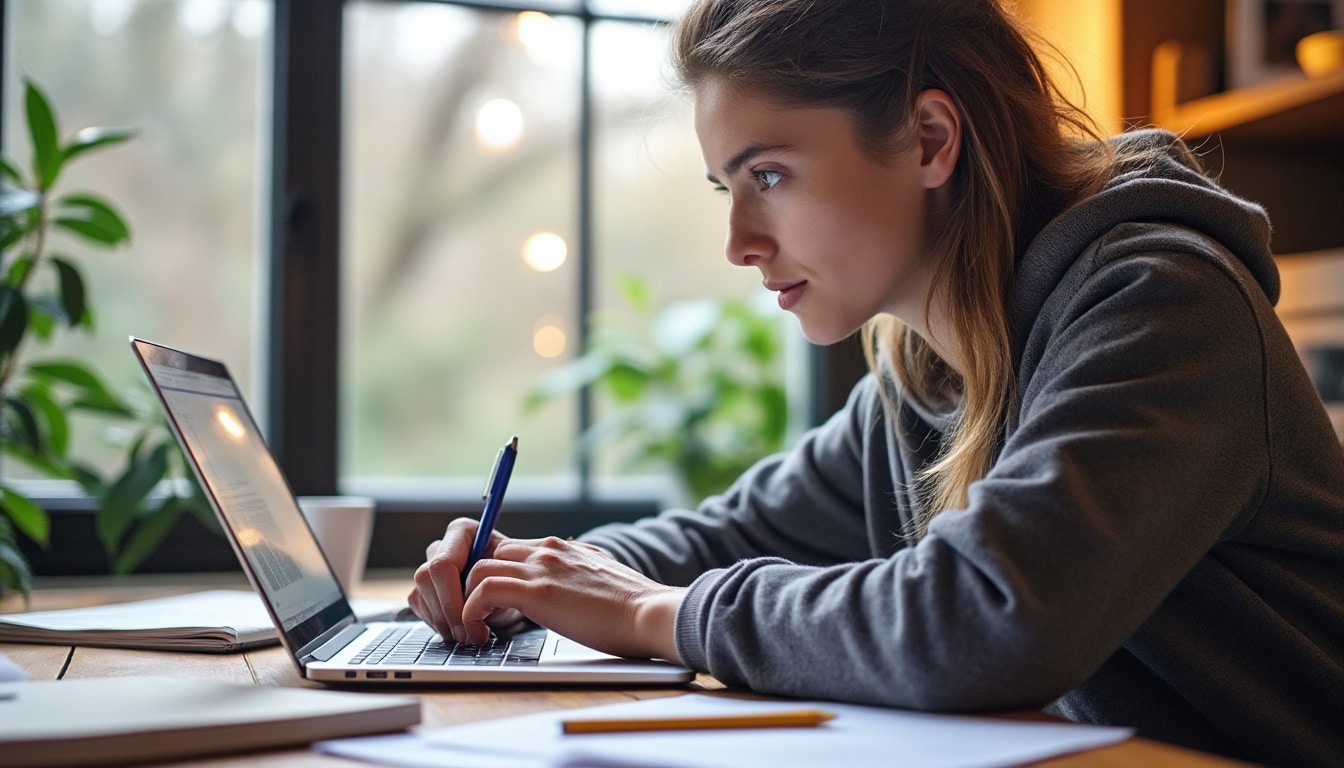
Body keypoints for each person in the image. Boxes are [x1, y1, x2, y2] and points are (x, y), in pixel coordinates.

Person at [409, 0, 1344, 764]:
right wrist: (519, 574)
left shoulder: (1164, 306)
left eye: (768, 174)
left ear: (932, 138)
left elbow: (986, 619)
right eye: (724, 187)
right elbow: (730, 533)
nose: (737, 242)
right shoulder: (926, 364)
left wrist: (659, 614)